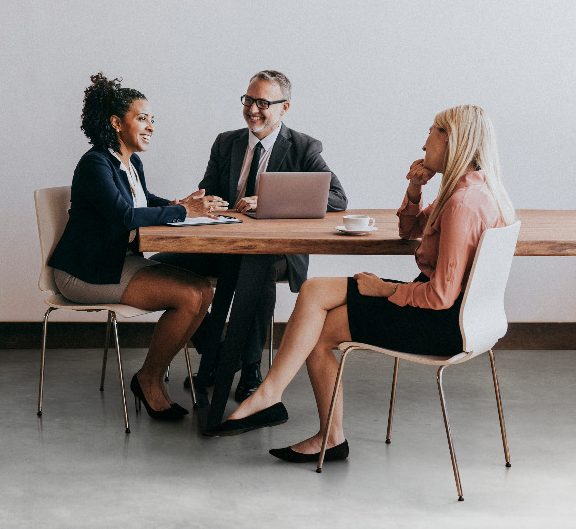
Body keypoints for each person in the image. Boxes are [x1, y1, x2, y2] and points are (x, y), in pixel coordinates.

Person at [211, 105, 516, 463]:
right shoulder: (471, 190)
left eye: (432, 132)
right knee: (314, 290)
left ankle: (325, 433)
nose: (423, 144)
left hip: (441, 322)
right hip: (462, 315)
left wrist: (385, 290)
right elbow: (409, 231)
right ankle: (270, 394)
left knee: (320, 332)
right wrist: (415, 188)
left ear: (452, 140)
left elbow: (440, 296)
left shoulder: (463, 204)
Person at [153, 70, 347, 401]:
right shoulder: (226, 142)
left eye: (263, 103)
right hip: (224, 244)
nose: (253, 109)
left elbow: (338, 199)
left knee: (257, 270)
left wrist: (272, 200)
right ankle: (217, 352)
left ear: (284, 108)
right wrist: (201, 202)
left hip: (278, 253)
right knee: (158, 267)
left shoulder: (302, 147)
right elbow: (209, 191)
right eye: (248, 100)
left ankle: (252, 368)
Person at [48, 73, 227, 420]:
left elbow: (144, 201)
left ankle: (155, 373)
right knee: (190, 296)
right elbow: (125, 215)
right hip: (84, 272)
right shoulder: (95, 163)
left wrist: (181, 204)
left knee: (203, 289)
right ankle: (148, 378)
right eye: (142, 118)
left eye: (152, 120)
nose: (150, 127)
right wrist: (181, 211)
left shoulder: (131, 162)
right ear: (116, 122)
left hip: (116, 262)